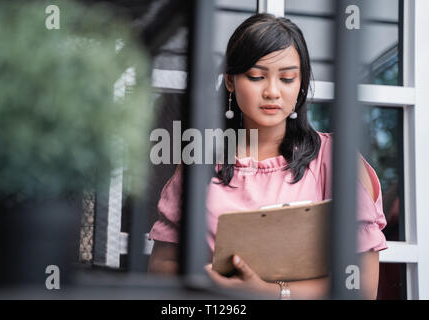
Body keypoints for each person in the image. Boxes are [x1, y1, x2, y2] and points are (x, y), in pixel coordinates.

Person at [147, 14, 388, 300]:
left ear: (301, 85)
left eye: (287, 78)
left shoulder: (334, 159)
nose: (272, 92)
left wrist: (269, 293)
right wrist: (213, 282)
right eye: (256, 77)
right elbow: (160, 267)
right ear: (230, 81)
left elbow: (360, 286)